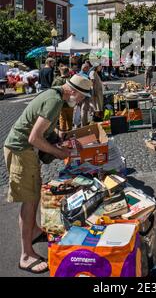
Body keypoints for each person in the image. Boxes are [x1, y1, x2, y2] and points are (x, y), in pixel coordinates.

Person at [3, 75, 92, 274]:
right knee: (30, 198)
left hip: (24, 151)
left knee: (34, 193)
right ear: (74, 92)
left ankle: (34, 231)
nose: (79, 102)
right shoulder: (54, 101)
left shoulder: (55, 96)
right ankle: (26, 255)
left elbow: (42, 131)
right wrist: (59, 152)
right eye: (81, 98)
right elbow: (34, 137)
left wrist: (58, 139)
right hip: (21, 151)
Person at [52, 66, 74, 131]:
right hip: (70, 102)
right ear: (68, 72)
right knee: (70, 119)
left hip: (60, 103)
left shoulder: (56, 80)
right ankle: (70, 133)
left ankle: (63, 134)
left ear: (61, 72)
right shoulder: (71, 80)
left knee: (62, 119)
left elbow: (53, 92)